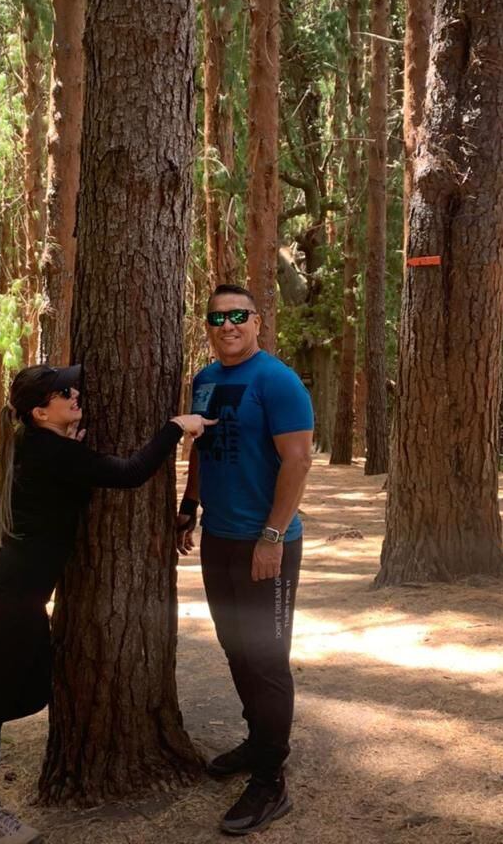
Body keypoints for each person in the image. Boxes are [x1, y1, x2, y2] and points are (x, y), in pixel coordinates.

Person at [0, 363, 213, 844]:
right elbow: (132, 473)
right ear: (40, 412)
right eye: (64, 392)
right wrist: (175, 427)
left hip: (15, 595)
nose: (75, 393)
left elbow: (66, 486)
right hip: (6, 599)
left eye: (72, 387)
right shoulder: (52, 452)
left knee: (35, 694)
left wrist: (71, 446)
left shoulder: (42, 446)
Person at [177, 284, 313, 836]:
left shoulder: (277, 381)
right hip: (219, 538)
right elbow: (203, 448)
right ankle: (259, 741)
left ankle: (270, 779)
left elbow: (298, 461)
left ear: (257, 321)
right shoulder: (205, 380)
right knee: (235, 648)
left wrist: (272, 536)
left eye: (238, 316)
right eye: (217, 318)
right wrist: (188, 506)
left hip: (267, 543)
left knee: (267, 658)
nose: (227, 326)